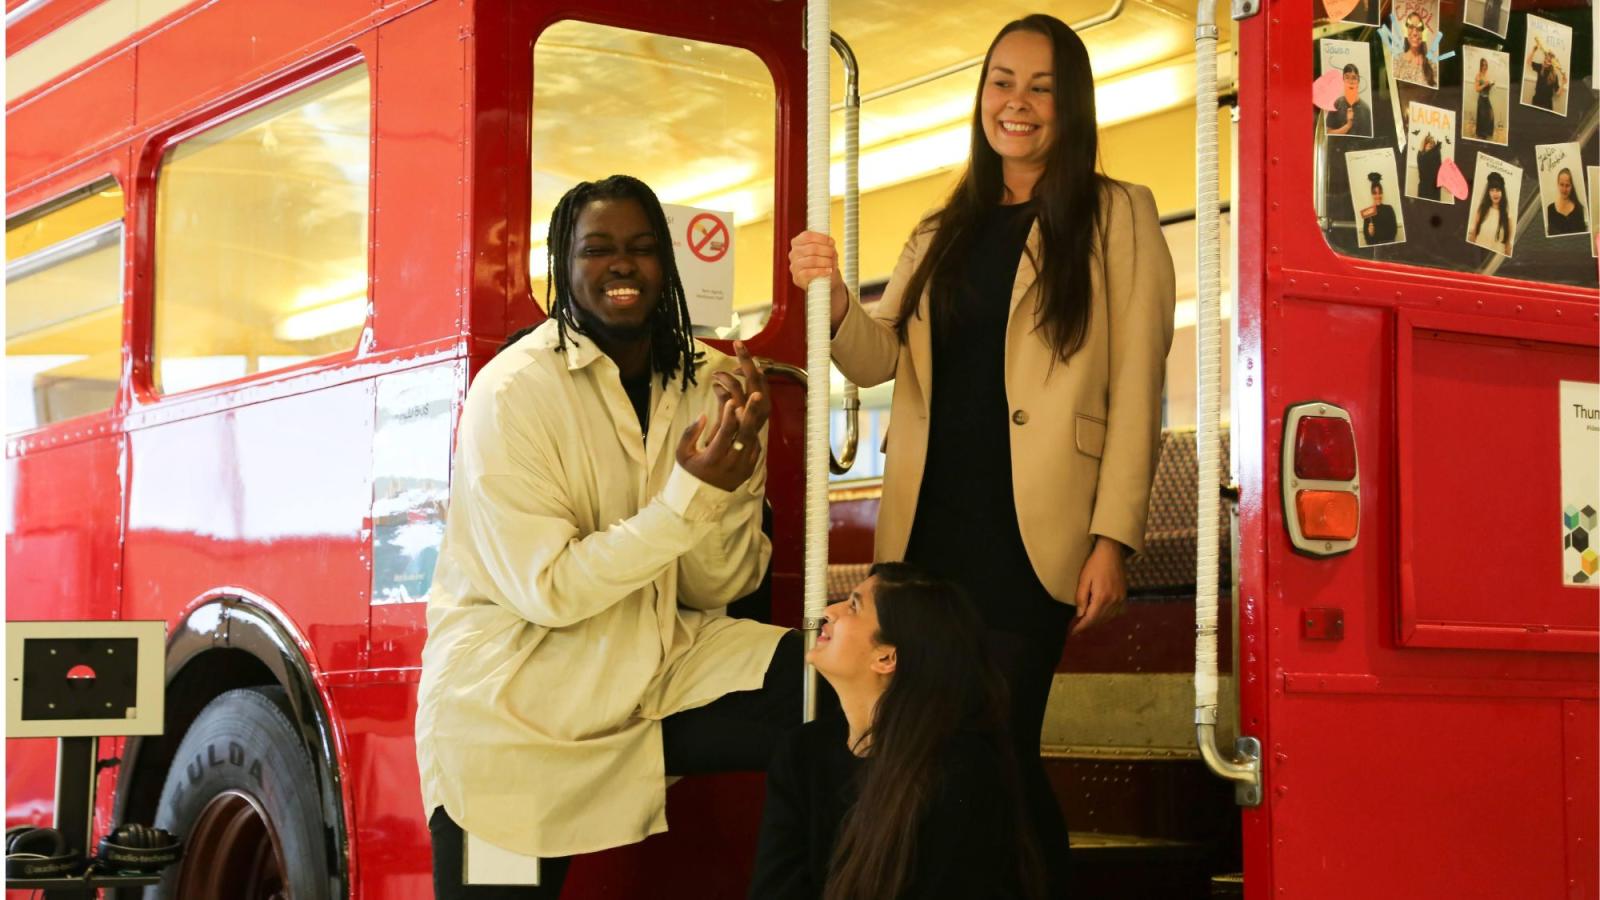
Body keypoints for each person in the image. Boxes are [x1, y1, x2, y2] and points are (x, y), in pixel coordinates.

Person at [788, 14, 1175, 898]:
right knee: (924, 751)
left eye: (1041, 86)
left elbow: (1137, 389)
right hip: (927, 535)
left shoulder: (1119, 215)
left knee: (999, 746)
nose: (1018, 102)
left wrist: (1113, 537)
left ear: (1070, 104)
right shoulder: (940, 228)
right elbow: (878, 360)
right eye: (1002, 81)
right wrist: (838, 298)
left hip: (1032, 536)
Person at [417, 174, 799, 898]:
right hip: (517, 715)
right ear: (563, 269)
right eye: (596, 249)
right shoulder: (511, 392)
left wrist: (731, 485)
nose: (621, 263)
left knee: (844, 702)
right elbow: (552, 589)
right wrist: (693, 494)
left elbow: (714, 587)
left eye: (641, 247)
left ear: (667, 265)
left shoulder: (711, 380)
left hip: (660, 668)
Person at [749, 564, 1045, 900]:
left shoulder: (961, 771)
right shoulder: (802, 752)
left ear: (887, 657)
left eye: (853, 606)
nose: (829, 611)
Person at [1470, 170, 1512, 255]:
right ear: (1488, 192)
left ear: (1502, 192)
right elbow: (1473, 236)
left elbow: (1508, 246)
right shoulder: (1482, 210)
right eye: (1492, 190)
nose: (1495, 193)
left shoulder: (1508, 216)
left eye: (1498, 190)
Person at [1326, 63, 1372, 136]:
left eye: (1354, 78)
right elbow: (1329, 133)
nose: (1350, 82)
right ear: (1343, 80)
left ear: (1358, 81)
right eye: (1347, 77)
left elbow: (1368, 138)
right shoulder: (1336, 104)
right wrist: (1348, 126)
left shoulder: (1366, 109)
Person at [1393, 12, 1437, 88]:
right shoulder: (1397, 62)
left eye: (1419, 29)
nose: (1415, 33)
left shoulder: (1432, 65)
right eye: (1410, 27)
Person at [1528, 39, 1566, 112]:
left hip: (1547, 105)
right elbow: (1529, 62)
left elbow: (1558, 93)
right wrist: (1533, 51)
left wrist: (1563, 83)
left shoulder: (1554, 76)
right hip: (1536, 101)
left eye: (1548, 61)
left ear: (1552, 63)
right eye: (1545, 59)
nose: (1545, 61)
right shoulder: (1540, 68)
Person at [1361, 172, 1399, 244]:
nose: (1378, 196)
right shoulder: (1368, 213)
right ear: (1371, 194)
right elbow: (1367, 240)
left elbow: (1394, 231)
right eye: (1375, 193)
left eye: (1380, 193)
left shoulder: (1389, 209)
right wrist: (1370, 234)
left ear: (1382, 193)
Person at [1547, 167, 1587, 235]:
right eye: (1561, 185)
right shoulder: (1550, 209)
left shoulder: (1579, 209)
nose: (1564, 189)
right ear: (1558, 184)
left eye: (1567, 185)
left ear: (1571, 186)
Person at [1414, 133, 1442, 202]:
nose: (1431, 145)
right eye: (1428, 144)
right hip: (1424, 189)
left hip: (1434, 190)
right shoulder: (1421, 156)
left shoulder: (1436, 155)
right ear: (1425, 145)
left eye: (1432, 144)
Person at [1474, 56, 1496, 140]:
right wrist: (1485, 85)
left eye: (1486, 65)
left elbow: (1488, 87)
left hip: (1487, 98)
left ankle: (1487, 133)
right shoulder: (1478, 76)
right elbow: (1477, 89)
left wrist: (1491, 84)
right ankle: (1482, 135)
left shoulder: (1487, 75)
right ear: (1480, 66)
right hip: (1481, 99)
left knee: (1491, 115)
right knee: (1483, 117)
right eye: (1483, 65)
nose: (1485, 67)